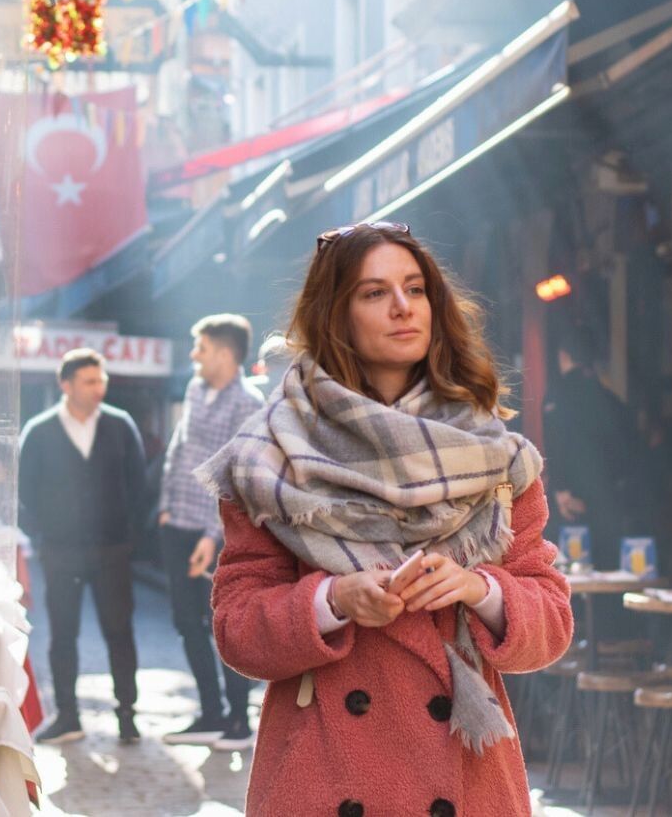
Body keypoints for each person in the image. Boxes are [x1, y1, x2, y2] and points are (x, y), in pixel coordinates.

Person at [196, 222, 572, 816]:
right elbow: (237, 631)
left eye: (415, 288)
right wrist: (332, 601)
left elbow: (551, 624)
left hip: (465, 773)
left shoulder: (494, 455)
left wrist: (478, 589)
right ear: (335, 314)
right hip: (323, 773)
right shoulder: (271, 457)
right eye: (374, 293)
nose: (403, 306)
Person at [17, 349, 147, 745]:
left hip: (112, 550)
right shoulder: (40, 431)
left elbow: (138, 485)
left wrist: (127, 537)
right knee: (63, 634)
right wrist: (45, 534)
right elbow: (24, 490)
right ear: (66, 384)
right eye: (90, 381)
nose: (98, 388)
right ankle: (67, 716)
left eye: (101, 380)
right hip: (61, 552)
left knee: (120, 632)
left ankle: (127, 714)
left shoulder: (120, 425)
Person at [155, 314, 265, 750]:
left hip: (217, 536)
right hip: (176, 525)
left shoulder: (248, 403)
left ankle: (238, 722)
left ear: (223, 352)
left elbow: (237, 480)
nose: (194, 355)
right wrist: (165, 507)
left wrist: (210, 535)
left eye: (200, 348)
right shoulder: (195, 389)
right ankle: (210, 713)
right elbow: (179, 448)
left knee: (225, 624)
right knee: (187, 623)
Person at [539, 332, 637, 569]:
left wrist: (561, 488)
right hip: (607, 496)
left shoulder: (557, 396)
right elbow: (626, 452)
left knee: (567, 569)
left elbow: (557, 443)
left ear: (563, 356)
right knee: (606, 566)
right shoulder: (612, 401)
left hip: (570, 495)